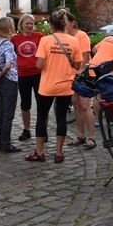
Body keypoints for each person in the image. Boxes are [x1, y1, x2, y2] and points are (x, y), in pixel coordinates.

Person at [25, 9, 82, 163]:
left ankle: (40, 152)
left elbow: (40, 65)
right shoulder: (74, 41)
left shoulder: (45, 40)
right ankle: (58, 153)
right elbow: (77, 65)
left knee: (41, 117)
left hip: (47, 86)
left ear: (51, 26)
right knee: (61, 118)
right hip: (65, 86)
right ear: (64, 24)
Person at [11, 14, 45, 141]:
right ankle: (27, 129)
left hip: (38, 74)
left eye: (31, 23)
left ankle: (43, 130)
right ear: (21, 25)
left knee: (42, 103)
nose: (30, 26)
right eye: (27, 23)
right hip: (23, 74)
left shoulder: (40, 37)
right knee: (25, 104)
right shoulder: (15, 39)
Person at [66, 12, 95, 149]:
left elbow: (86, 58)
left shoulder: (81, 35)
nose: (64, 24)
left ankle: (92, 137)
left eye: (66, 21)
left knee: (85, 106)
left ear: (72, 22)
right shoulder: (65, 37)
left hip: (82, 76)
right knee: (76, 106)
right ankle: (81, 135)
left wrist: (80, 74)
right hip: (70, 77)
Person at [0, 17, 21, 153]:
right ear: (8, 28)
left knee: (1, 113)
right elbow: (8, 65)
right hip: (9, 80)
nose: (14, 27)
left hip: (0, 82)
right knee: (8, 114)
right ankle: (6, 144)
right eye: (12, 25)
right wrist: (2, 73)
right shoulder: (8, 45)